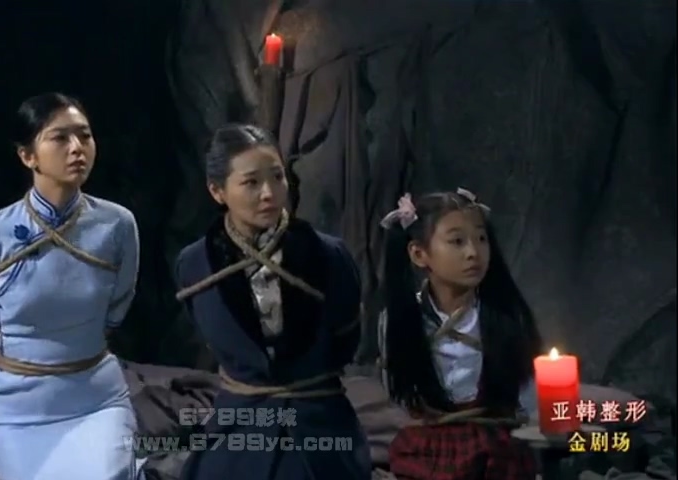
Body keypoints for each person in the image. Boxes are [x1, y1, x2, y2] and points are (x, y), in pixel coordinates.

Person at [0, 92, 145, 480]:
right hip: (20, 404)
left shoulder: (118, 225)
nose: (77, 148)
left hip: (96, 397)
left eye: (85, 136)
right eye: (60, 137)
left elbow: (117, 309)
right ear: (28, 156)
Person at [174, 123, 372, 480]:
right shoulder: (195, 265)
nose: (269, 193)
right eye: (251, 183)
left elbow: (346, 339)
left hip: (317, 416)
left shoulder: (328, 256)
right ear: (217, 191)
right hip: (240, 418)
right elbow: (211, 332)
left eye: (277, 177)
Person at [378, 188, 543, 480]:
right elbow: (399, 393)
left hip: (495, 441)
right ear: (419, 254)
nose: (473, 253)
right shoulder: (401, 320)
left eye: (481, 239)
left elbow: (526, 394)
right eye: (457, 241)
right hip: (429, 443)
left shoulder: (504, 316)